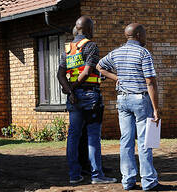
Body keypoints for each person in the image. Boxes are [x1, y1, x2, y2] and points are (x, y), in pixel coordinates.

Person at [97, 23, 170, 191]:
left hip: (122, 101)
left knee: (126, 141)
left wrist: (115, 78)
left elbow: (99, 66)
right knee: (145, 142)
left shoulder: (116, 52)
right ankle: (148, 181)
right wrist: (156, 109)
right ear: (137, 35)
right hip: (141, 100)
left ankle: (128, 181)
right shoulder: (143, 53)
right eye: (144, 34)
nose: (146, 37)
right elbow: (150, 82)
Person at [57, 16, 117, 184]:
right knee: (92, 137)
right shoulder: (91, 46)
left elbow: (60, 75)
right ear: (89, 29)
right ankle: (97, 175)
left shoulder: (68, 49)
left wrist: (70, 90)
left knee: (73, 136)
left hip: (73, 97)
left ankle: (74, 175)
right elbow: (87, 72)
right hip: (90, 96)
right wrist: (74, 88)